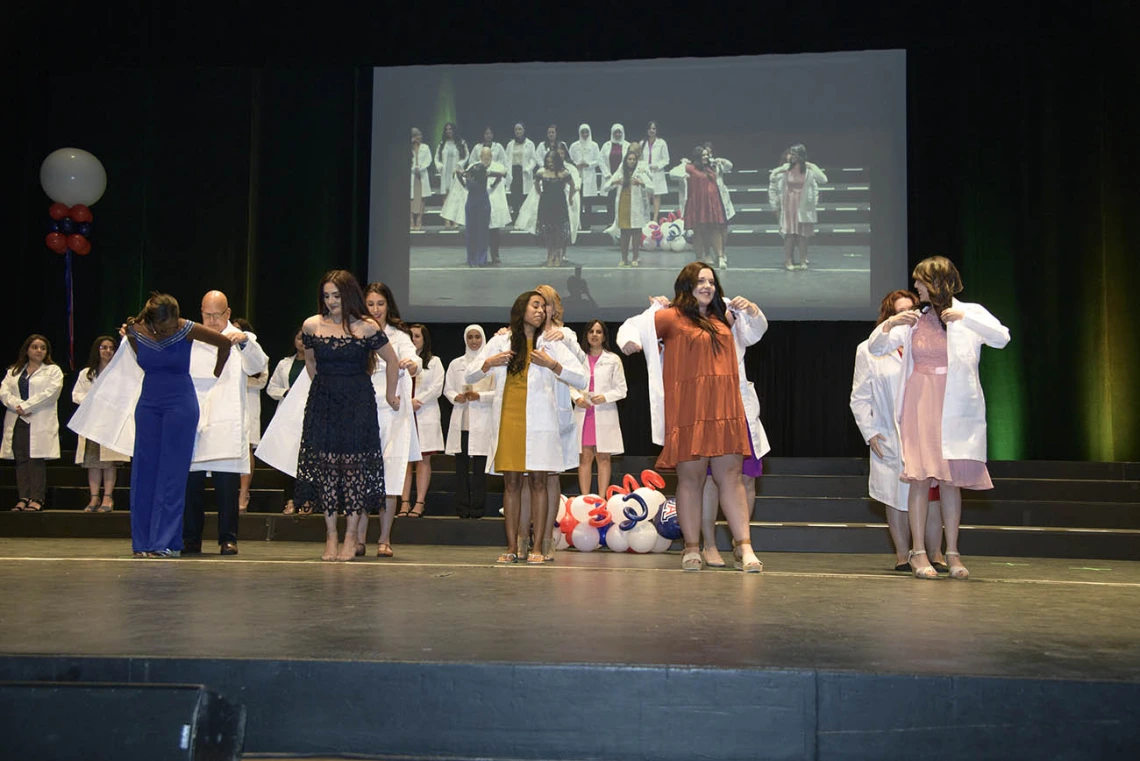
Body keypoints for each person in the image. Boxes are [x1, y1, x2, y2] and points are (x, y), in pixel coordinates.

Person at [869, 256, 1010, 580]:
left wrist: (965, 320)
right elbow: (876, 349)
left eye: (920, 281)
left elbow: (1002, 337)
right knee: (919, 478)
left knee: (949, 481)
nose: (916, 286)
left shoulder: (968, 312)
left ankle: (952, 552)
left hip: (954, 403)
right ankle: (918, 552)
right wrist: (890, 324)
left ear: (935, 282)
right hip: (921, 400)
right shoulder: (914, 319)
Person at [619, 262, 762, 572]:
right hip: (689, 409)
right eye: (700, 281)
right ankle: (692, 548)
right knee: (690, 479)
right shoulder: (672, 317)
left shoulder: (725, 316)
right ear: (687, 285)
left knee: (732, 479)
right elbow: (633, 326)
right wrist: (630, 341)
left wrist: (750, 310)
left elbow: (756, 332)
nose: (707, 286)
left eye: (711, 281)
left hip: (725, 407)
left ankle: (745, 547)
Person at [466, 290, 586, 564]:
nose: (541, 311)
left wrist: (554, 365)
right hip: (509, 417)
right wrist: (489, 363)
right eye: (536, 305)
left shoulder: (551, 343)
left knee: (539, 482)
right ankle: (511, 546)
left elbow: (582, 378)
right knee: (511, 483)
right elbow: (470, 373)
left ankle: (538, 548)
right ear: (521, 310)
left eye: (544, 307)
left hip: (541, 421)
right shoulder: (500, 341)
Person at [297, 270, 399, 561]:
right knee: (328, 468)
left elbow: (391, 361)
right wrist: (322, 390)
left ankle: (352, 536)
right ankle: (330, 536)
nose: (331, 301)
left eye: (336, 295)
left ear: (349, 295)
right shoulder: (311, 325)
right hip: (325, 401)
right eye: (326, 296)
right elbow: (311, 362)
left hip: (357, 400)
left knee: (354, 470)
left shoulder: (366, 327)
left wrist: (391, 395)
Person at [851, 289, 948, 572]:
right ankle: (903, 555)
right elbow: (859, 396)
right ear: (888, 317)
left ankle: (937, 554)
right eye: (899, 312)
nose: (907, 316)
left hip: (925, 428)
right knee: (893, 495)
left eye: (912, 310)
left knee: (931, 492)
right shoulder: (869, 349)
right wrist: (869, 432)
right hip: (888, 431)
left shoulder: (928, 344)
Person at [183, 291, 269, 557]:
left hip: (226, 423)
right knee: (192, 487)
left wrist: (243, 342)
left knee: (226, 488)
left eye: (216, 315)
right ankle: (190, 539)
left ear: (228, 313)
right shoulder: (191, 337)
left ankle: (228, 538)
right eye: (206, 315)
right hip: (196, 420)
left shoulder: (242, 339)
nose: (210, 321)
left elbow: (259, 365)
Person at [697, 295, 771, 567]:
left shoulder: (739, 332)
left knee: (747, 479)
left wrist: (751, 309)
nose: (727, 317)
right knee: (710, 481)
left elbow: (758, 329)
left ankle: (741, 542)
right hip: (709, 413)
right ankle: (709, 544)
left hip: (740, 411)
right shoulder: (697, 334)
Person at [358, 281, 421, 557]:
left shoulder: (398, 335)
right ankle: (357, 538)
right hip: (362, 409)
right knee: (359, 477)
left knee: (390, 476)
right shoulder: (357, 332)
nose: (375, 309)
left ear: (388, 306)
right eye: (370, 304)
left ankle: (384, 538)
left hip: (392, 411)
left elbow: (413, 359)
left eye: (380, 304)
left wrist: (410, 363)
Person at [2, 334, 64, 512]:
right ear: (27, 349)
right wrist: (17, 405)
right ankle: (23, 497)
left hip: (38, 418)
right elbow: (4, 391)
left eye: (43, 348)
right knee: (21, 459)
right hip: (17, 419)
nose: (39, 351)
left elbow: (51, 393)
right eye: (35, 347)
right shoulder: (14, 371)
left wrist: (26, 405)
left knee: (36, 459)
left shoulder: (53, 371)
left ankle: (37, 498)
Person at [72, 335, 129, 511]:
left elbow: (125, 396)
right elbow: (76, 395)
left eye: (111, 348)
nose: (108, 351)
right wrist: (92, 401)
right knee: (92, 462)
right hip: (90, 422)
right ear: (97, 350)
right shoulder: (86, 373)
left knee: (109, 462)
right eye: (104, 348)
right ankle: (94, 498)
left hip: (110, 422)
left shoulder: (120, 373)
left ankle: (108, 498)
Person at [444, 325, 496, 519]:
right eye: (470, 337)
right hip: (462, 422)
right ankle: (462, 507)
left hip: (482, 423)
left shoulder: (491, 364)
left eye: (477, 337)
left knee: (480, 469)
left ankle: (478, 508)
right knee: (461, 468)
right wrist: (454, 397)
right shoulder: (456, 363)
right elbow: (447, 388)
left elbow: (498, 393)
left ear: (483, 339)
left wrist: (479, 396)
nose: (474, 341)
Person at [572, 320, 627, 497]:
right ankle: (585, 497)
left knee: (603, 457)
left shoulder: (613, 359)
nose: (594, 335)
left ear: (604, 336)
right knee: (585, 457)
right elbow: (568, 384)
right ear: (586, 335)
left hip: (604, 412)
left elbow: (622, 389)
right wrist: (577, 398)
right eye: (591, 332)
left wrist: (605, 397)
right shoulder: (577, 359)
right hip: (584, 413)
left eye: (599, 332)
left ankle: (602, 498)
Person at [402, 324, 443, 519]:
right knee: (405, 461)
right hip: (404, 413)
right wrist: (405, 402)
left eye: (417, 336)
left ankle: (419, 503)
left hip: (424, 412)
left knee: (423, 460)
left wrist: (419, 401)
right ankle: (404, 503)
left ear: (424, 339)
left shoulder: (434, 362)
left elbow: (437, 387)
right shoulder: (400, 361)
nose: (413, 339)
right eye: (410, 336)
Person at [266, 326, 306, 514]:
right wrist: (285, 392)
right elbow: (271, 388)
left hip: (309, 416)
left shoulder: (319, 363)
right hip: (288, 417)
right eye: (299, 338)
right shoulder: (284, 364)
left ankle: (307, 500)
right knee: (288, 460)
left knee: (307, 461)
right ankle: (291, 500)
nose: (302, 342)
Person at [769, 144, 827, 271]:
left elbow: (823, 179)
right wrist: (778, 171)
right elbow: (772, 178)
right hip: (789, 204)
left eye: (794, 154)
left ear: (801, 156)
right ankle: (788, 260)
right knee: (789, 234)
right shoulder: (786, 167)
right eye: (791, 154)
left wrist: (812, 166)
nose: (791, 156)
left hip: (803, 205)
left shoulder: (809, 169)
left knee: (802, 235)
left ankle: (802, 260)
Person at [232, 318, 268, 514]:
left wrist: (240, 379)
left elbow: (260, 380)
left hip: (250, 403)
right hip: (230, 403)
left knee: (247, 448)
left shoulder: (255, 353)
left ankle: (244, 492)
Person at [603, 148, 652, 267]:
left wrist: (641, 183)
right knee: (624, 232)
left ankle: (635, 257)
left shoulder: (640, 172)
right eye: (629, 159)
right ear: (626, 160)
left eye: (634, 159)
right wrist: (616, 182)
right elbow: (606, 187)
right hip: (623, 205)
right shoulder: (621, 171)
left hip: (636, 206)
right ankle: (624, 258)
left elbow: (652, 187)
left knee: (636, 231)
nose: (632, 161)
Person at [684, 146, 729, 270]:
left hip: (712, 203)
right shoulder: (690, 168)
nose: (705, 157)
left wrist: (720, 161)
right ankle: (699, 258)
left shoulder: (711, 168)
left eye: (706, 155)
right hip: (698, 203)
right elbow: (674, 173)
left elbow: (729, 166)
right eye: (703, 155)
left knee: (715, 229)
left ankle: (720, 256)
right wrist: (683, 168)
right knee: (698, 230)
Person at [532, 151, 575, 268]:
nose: (550, 164)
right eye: (548, 161)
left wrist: (570, 198)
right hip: (546, 204)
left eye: (552, 162)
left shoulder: (564, 173)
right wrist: (540, 193)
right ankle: (550, 254)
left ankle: (558, 254)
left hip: (559, 203)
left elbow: (572, 185)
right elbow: (536, 183)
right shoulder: (541, 172)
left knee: (558, 231)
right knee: (548, 231)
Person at [569, 124, 604, 230]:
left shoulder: (594, 145)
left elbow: (599, 160)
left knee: (588, 203)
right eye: (583, 132)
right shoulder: (574, 146)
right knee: (577, 201)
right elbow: (569, 160)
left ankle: (587, 224)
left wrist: (588, 164)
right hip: (578, 176)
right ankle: (577, 224)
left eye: (586, 132)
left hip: (589, 176)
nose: (585, 134)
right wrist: (577, 164)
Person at [435, 122, 469, 229]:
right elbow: (436, 158)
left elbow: (466, 155)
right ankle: (446, 220)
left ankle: (454, 219)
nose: (448, 131)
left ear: (454, 130)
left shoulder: (461, 143)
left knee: (455, 197)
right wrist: (440, 166)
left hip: (456, 173)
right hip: (446, 173)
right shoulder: (442, 144)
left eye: (450, 129)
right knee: (445, 196)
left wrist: (460, 165)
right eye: (447, 129)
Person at [506, 123, 537, 222]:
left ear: (524, 131)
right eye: (516, 130)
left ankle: (524, 220)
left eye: (520, 129)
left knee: (524, 197)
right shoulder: (510, 144)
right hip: (514, 172)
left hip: (524, 172)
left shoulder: (530, 144)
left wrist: (528, 169)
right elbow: (507, 159)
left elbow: (533, 160)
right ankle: (515, 219)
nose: (518, 131)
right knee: (514, 197)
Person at [640, 121, 670, 220]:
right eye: (650, 129)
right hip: (645, 173)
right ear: (647, 130)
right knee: (646, 197)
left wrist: (657, 166)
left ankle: (655, 219)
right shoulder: (642, 143)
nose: (651, 131)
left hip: (657, 173)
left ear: (656, 130)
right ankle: (646, 217)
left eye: (654, 129)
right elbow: (639, 159)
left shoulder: (661, 143)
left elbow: (666, 159)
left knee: (656, 196)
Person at [410, 128, 433, 230]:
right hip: (411, 174)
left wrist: (421, 167)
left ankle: (419, 220)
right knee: (411, 198)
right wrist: (413, 168)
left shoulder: (425, 147)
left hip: (422, 174)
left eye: (419, 135)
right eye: (416, 135)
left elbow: (429, 159)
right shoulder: (408, 148)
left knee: (422, 197)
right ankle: (411, 221)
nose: (418, 137)